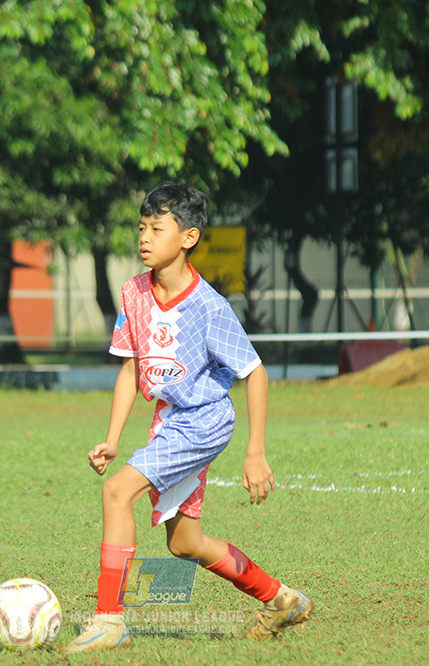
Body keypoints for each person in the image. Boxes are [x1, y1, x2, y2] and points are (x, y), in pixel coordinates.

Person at [64, 183, 312, 653]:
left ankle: (109, 621)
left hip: (203, 420)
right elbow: (130, 364)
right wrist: (113, 437)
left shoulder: (209, 307)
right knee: (185, 543)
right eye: (141, 228)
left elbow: (255, 372)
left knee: (117, 492)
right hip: (170, 419)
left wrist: (255, 453)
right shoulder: (134, 292)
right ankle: (282, 600)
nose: (144, 238)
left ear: (188, 238)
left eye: (157, 228)